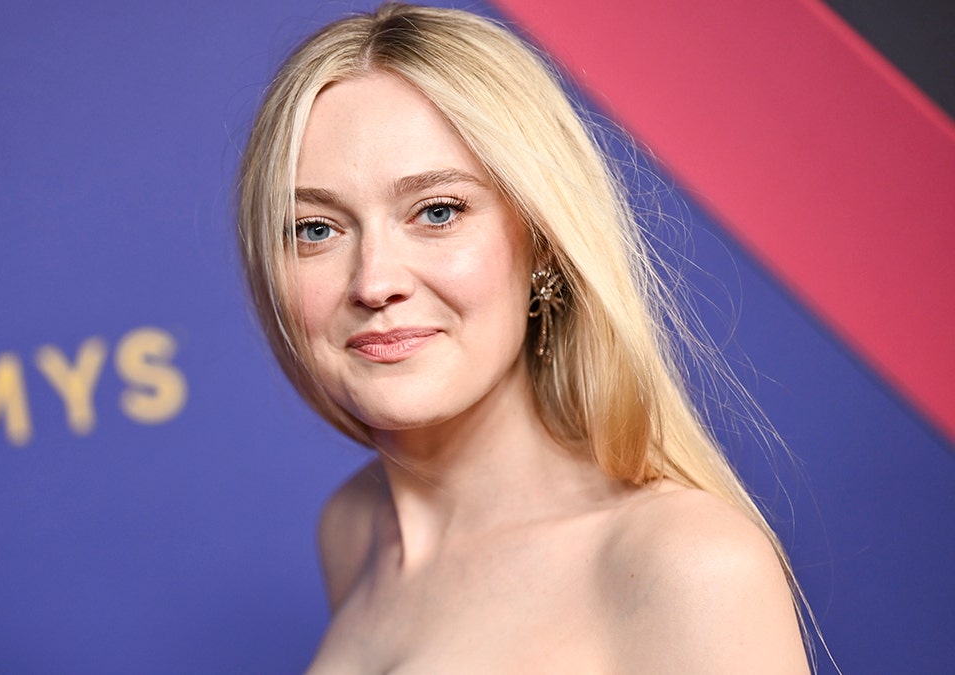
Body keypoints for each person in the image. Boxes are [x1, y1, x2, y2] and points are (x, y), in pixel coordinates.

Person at [236, 3, 811, 671]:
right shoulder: (352, 529)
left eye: (438, 211)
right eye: (316, 228)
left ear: (540, 241)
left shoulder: (684, 560)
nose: (374, 281)